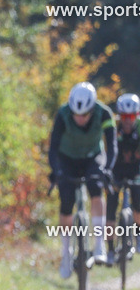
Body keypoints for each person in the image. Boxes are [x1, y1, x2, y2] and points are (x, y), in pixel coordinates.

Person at [48, 82, 117, 277]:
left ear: (92, 109)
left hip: (92, 156)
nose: (79, 119)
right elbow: (53, 148)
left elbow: (111, 145)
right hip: (67, 158)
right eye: (76, 114)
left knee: (97, 186)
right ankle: (66, 252)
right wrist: (57, 170)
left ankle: (99, 244)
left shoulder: (104, 114)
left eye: (85, 115)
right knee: (66, 201)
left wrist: (108, 169)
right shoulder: (62, 114)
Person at [105, 93, 140, 255]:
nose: (128, 120)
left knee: (138, 204)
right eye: (124, 116)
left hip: (136, 171)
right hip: (116, 170)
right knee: (110, 207)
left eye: (132, 116)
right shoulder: (112, 127)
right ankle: (110, 248)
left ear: (137, 115)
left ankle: (138, 237)